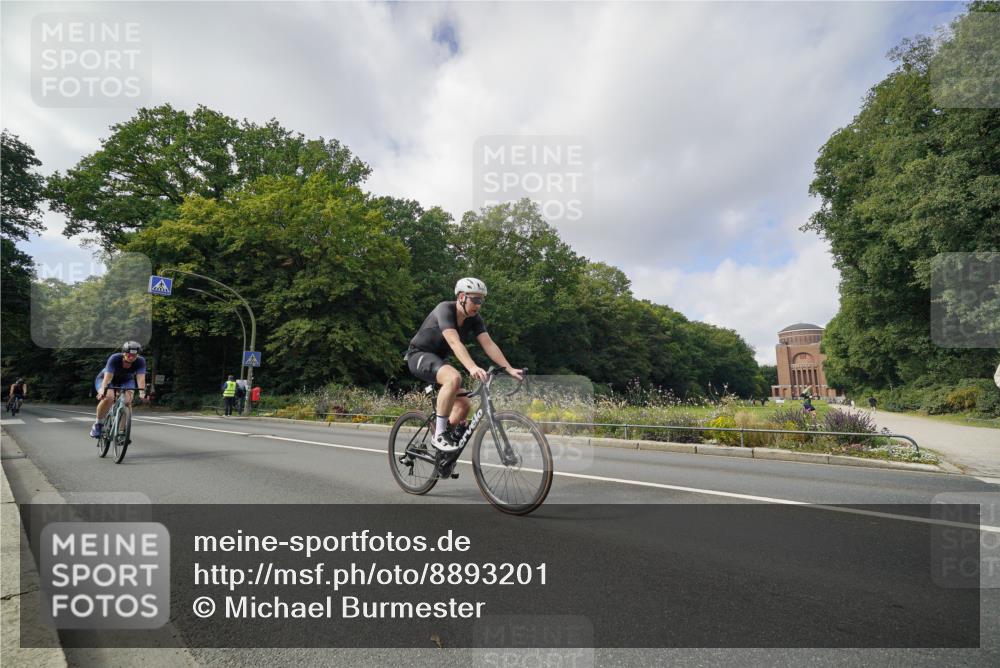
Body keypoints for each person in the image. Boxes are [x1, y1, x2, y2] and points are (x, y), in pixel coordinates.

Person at [405, 277, 522, 452]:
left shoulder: (474, 318)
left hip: (438, 361)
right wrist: (472, 367)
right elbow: (454, 342)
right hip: (418, 355)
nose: (478, 304)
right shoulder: (445, 309)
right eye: (475, 299)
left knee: (464, 405)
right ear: (461, 297)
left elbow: (488, 344)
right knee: (454, 377)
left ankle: (444, 448)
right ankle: (439, 435)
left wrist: (509, 368)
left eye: (481, 300)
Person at [91, 341, 147, 438]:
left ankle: (121, 432)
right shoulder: (115, 358)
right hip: (107, 379)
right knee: (108, 397)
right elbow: (108, 378)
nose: (132, 357)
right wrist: (102, 391)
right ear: (124, 353)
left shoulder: (140, 361)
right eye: (129, 355)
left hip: (126, 380)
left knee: (127, 401)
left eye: (134, 355)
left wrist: (142, 393)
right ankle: (98, 425)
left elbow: (141, 378)